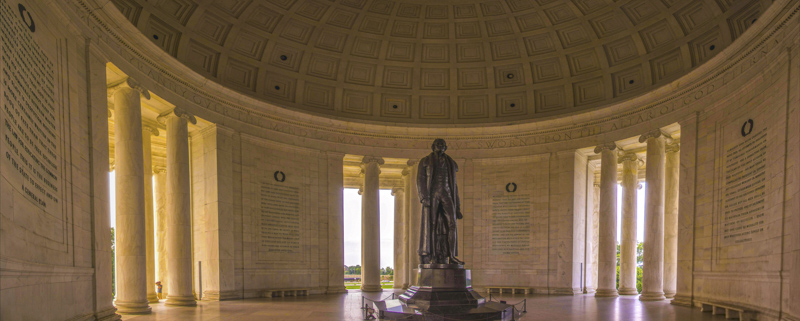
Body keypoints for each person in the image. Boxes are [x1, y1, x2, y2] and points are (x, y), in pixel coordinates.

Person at [417, 138, 464, 265]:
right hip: (433, 194)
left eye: (443, 144)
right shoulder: (425, 161)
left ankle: (452, 256)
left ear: (446, 147)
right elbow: (420, 181)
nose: (441, 146)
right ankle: (432, 255)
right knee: (431, 225)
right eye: (438, 144)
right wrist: (424, 197)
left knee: (452, 224)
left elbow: (455, 186)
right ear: (433, 146)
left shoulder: (451, 163)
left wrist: (458, 207)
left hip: (447, 192)